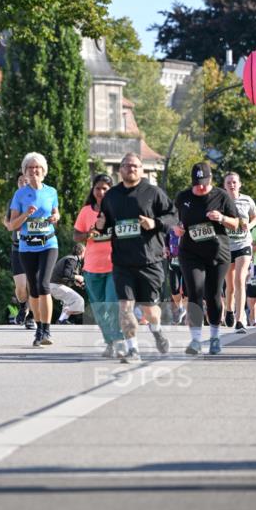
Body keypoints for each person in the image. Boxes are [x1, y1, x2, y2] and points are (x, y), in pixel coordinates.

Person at [95, 152, 176, 364]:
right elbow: (103, 224)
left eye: (135, 166)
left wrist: (154, 223)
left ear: (141, 169)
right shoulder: (111, 196)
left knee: (150, 311)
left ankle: (157, 331)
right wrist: (100, 226)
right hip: (122, 262)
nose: (131, 169)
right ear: (120, 170)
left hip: (150, 260)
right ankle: (133, 350)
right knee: (125, 306)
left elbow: (173, 217)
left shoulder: (153, 192)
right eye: (127, 165)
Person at [174, 162, 239, 356]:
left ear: (210, 179)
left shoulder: (221, 196)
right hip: (190, 252)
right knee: (194, 292)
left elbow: (236, 224)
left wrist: (221, 218)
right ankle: (195, 340)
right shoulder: (183, 197)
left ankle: (215, 337)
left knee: (213, 294)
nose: (200, 187)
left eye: (203, 182)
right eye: (196, 183)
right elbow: (173, 219)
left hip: (217, 253)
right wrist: (176, 228)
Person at [8, 152, 60, 347]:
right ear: (25, 172)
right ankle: (38, 328)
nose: (34, 170)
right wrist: (26, 215)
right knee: (34, 287)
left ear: (43, 171)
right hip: (27, 245)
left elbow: (55, 213)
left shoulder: (51, 192)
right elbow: (13, 225)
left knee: (44, 284)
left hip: (48, 243)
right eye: (30, 168)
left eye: (37, 167)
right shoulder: (20, 194)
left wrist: (56, 217)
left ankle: (47, 329)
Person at [74, 172, 123, 357]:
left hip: (114, 265)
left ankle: (118, 340)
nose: (101, 192)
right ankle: (109, 342)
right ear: (93, 190)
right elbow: (76, 236)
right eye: (98, 188)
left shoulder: (119, 209)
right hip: (92, 267)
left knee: (112, 304)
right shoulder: (86, 211)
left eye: (105, 188)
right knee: (99, 309)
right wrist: (89, 234)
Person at [222, 172, 256, 332]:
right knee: (229, 285)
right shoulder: (220, 201)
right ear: (224, 185)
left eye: (234, 182)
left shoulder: (247, 200)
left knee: (239, 280)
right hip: (226, 246)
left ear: (240, 184)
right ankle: (229, 309)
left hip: (243, 244)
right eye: (229, 182)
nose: (232, 185)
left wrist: (249, 226)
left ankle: (240, 319)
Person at [3, 173, 34, 329]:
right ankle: (23, 307)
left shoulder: (38, 198)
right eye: (20, 181)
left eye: (25, 181)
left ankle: (32, 318)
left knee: (33, 283)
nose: (22, 183)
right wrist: (9, 224)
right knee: (21, 287)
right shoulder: (13, 201)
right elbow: (6, 220)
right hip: (18, 246)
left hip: (35, 245)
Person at [50, 243, 86, 326]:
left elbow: (66, 276)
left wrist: (75, 282)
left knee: (69, 302)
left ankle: (62, 320)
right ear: (82, 252)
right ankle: (63, 318)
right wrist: (78, 277)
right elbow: (67, 274)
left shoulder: (70, 258)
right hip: (55, 285)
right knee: (79, 300)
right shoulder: (72, 259)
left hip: (54, 285)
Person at [165, 227, 188, 325]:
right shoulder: (171, 219)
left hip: (188, 260)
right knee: (174, 288)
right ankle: (180, 308)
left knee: (187, 291)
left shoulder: (187, 218)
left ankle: (188, 314)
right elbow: (165, 236)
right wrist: (165, 247)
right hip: (174, 259)